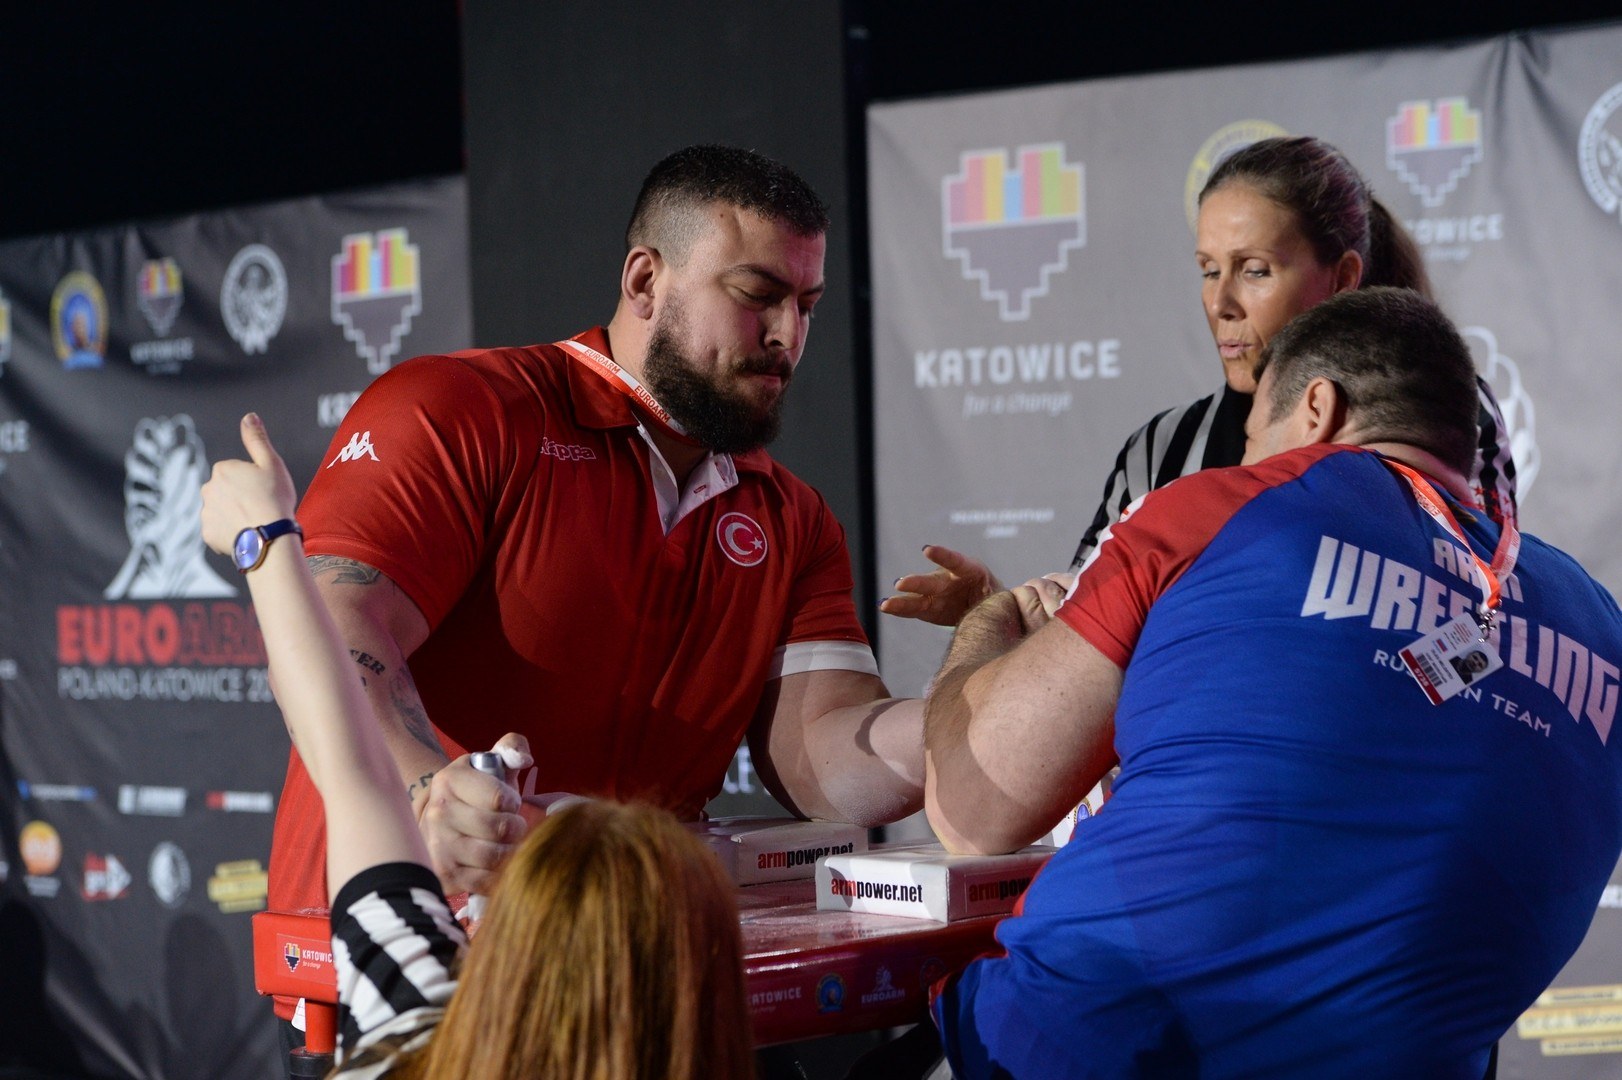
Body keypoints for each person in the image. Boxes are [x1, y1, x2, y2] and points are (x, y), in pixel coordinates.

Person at [267, 144, 925, 1036]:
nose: (787, 336)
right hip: (412, 958)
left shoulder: (790, 514)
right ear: (646, 279)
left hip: (624, 964)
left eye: (806, 305)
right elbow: (332, 630)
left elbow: (824, 755)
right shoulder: (460, 408)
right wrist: (430, 793)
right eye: (757, 294)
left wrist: (989, 706)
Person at [922, 289, 1622, 1077]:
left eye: (1254, 437)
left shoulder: (1220, 507)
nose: (1247, 461)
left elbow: (974, 810)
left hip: (1093, 1047)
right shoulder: (1600, 623)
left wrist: (985, 629)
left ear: (1317, 408)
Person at [201, 414, 755, 1079]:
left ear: (511, 948)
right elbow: (356, 767)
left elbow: (351, 764)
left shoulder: (410, 1039)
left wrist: (263, 539)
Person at [880, 135, 1517, 625]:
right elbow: (1084, 627)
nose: (1220, 302)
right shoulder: (1161, 449)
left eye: (1255, 270)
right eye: (1209, 270)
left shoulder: (1443, 411)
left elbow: (1479, 611)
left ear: (1344, 277)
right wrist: (1003, 613)